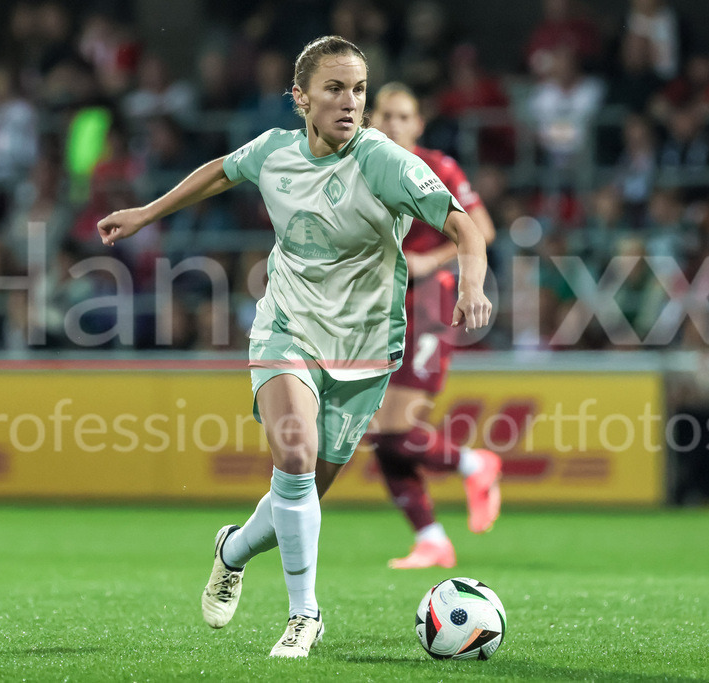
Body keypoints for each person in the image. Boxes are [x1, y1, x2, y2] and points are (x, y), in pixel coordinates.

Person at [96, 36, 492, 658]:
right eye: (335, 89)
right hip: (288, 327)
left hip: (364, 348)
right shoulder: (275, 151)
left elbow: (465, 225)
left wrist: (470, 285)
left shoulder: (384, 161)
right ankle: (304, 616)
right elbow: (220, 173)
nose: (350, 102)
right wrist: (147, 211)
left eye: (358, 89)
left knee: (299, 492)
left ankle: (231, 550)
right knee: (296, 453)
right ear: (300, 97)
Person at [367, 82, 500, 570]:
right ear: (369, 119)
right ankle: (432, 538)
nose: (394, 124)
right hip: (374, 308)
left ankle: (474, 464)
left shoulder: (437, 167)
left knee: (396, 429)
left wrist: (431, 261)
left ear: (418, 124)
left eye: (404, 116)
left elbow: (481, 228)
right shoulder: (358, 168)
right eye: (385, 114)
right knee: (377, 432)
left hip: (426, 302)